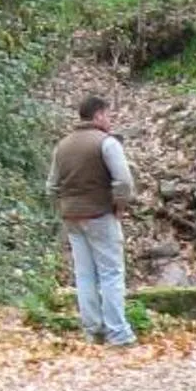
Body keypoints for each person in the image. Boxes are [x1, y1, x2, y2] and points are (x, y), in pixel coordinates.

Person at [48, 92, 137, 347]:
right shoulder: (106, 143)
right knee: (111, 273)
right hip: (100, 214)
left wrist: (63, 208)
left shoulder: (62, 145)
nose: (110, 119)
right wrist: (119, 205)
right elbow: (123, 181)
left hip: (72, 217)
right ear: (98, 115)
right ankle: (118, 333)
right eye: (108, 114)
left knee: (84, 274)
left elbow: (51, 186)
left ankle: (93, 330)